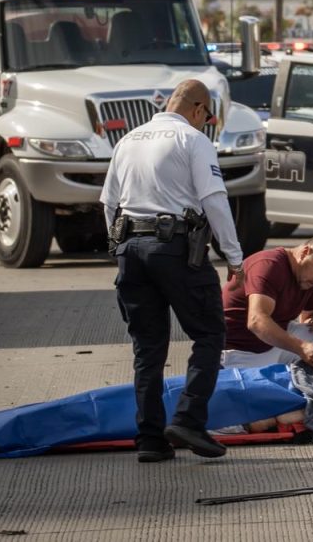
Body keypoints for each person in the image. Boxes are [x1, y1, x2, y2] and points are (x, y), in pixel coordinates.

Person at [100, 78, 245, 464]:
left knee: (147, 349)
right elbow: (214, 200)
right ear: (198, 109)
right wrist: (234, 257)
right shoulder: (193, 141)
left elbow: (109, 204)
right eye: (206, 116)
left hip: (131, 251)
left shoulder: (128, 140)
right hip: (176, 250)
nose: (205, 123)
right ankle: (189, 420)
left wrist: (121, 249)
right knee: (210, 333)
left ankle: (150, 439)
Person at [221, 235, 313, 370]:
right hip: (239, 352)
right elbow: (256, 321)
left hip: (273, 346)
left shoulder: (307, 277)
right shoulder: (269, 265)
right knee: (267, 390)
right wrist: (300, 347)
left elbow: (309, 318)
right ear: (305, 252)